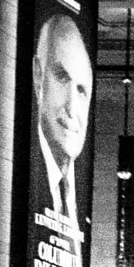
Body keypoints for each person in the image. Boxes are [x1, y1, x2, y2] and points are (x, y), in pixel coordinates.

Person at [31, 13, 93, 225]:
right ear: (38, 76)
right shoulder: (25, 175)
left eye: (81, 91)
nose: (71, 106)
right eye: (62, 77)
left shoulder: (85, 201)